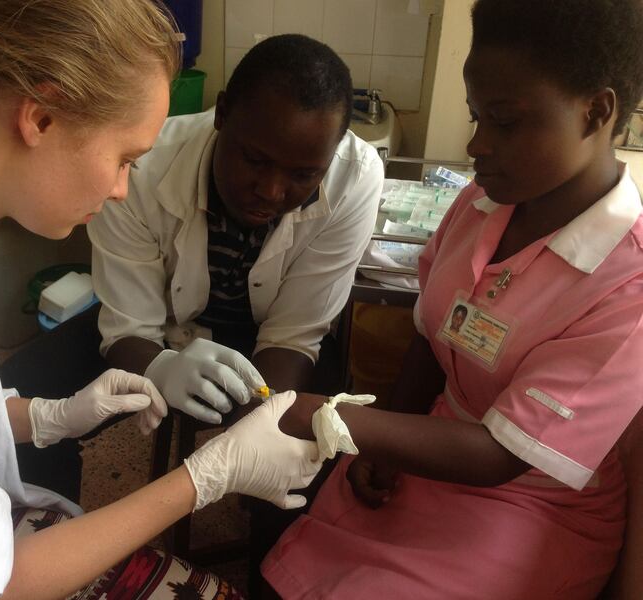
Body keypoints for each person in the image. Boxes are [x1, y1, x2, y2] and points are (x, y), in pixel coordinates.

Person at [0, 1, 323, 598]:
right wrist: (206, 478)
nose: (123, 189)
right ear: (41, 117)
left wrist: (49, 416)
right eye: (124, 159)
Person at [262, 0, 643, 598]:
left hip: (530, 498)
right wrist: (388, 438)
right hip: (434, 446)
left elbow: (501, 454)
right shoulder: (481, 203)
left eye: (505, 122)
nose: (476, 145)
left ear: (595, 111)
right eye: (474, 116)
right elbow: (429, 337)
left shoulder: (629, 283)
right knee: (287, 574)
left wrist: (330, 415)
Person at [88, 34, 383, 424]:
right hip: (170, 334)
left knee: (305, 434)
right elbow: (129, 329)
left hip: (272, 340)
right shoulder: (138, 169)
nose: (271, 192)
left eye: (305, 174)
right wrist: (162, 369)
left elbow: (293, 336)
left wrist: (256, 423)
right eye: (255, 160)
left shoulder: (354, 180)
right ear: (222, 113)